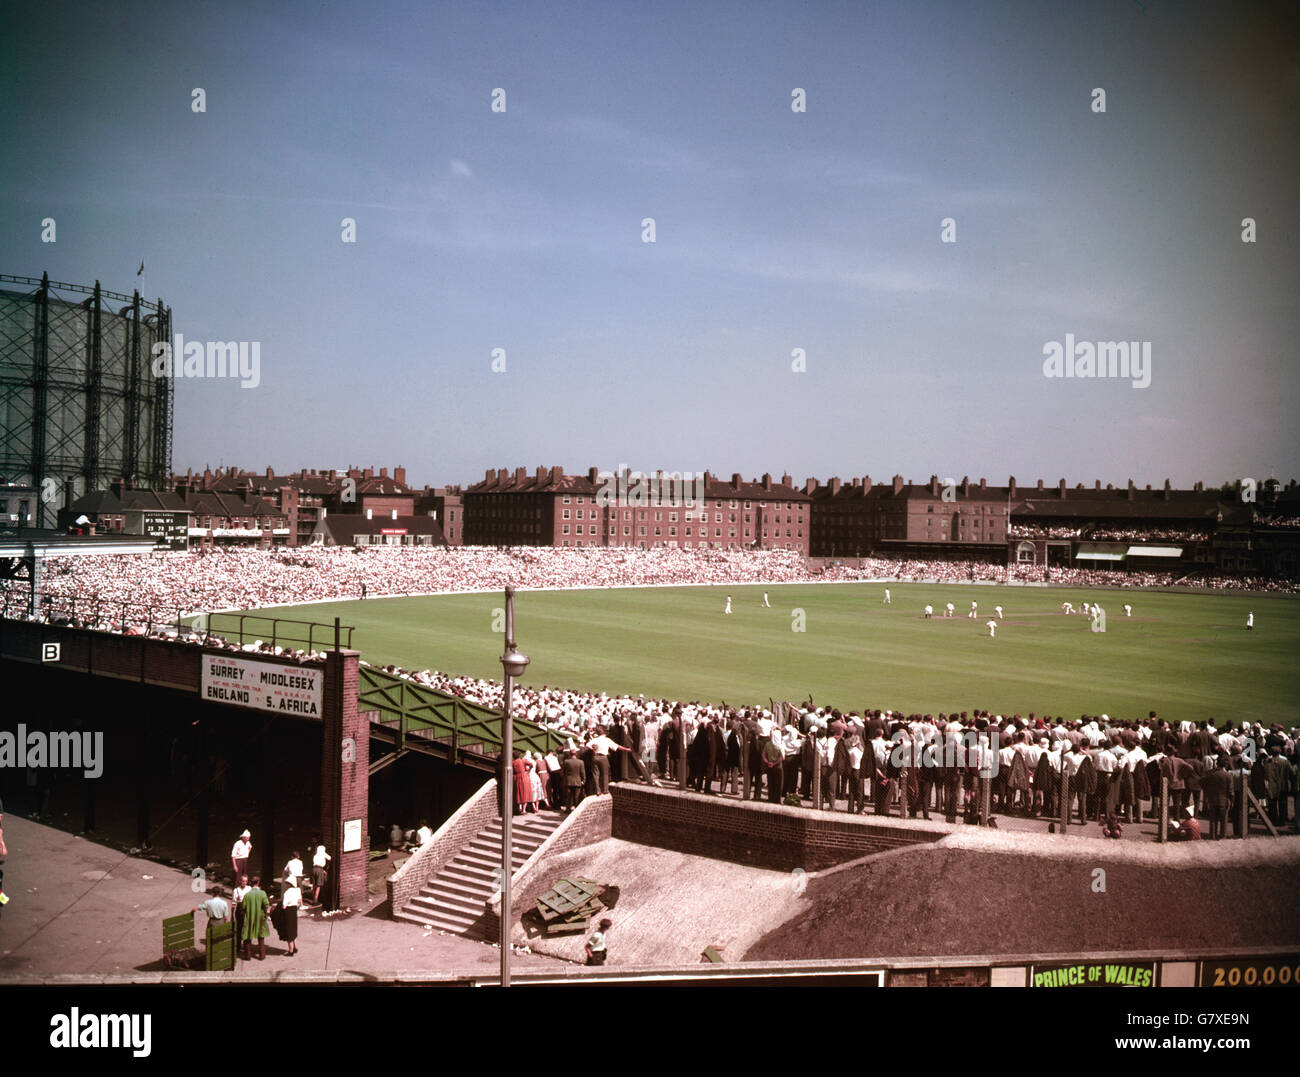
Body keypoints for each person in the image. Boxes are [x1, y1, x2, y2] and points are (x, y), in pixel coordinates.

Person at [239, 876, 270, 961]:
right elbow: (266, 905)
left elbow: (243, 907)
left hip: (249, 917)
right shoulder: (262, 893)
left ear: (251, 883)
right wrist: (265, 914)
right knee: (261, 936)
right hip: (260, 917)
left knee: (247, 936)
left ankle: (248, 955)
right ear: (258, 882)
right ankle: (262, 955)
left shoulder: (247, 895)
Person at [278, 876, 302, 956]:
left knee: (289, 930)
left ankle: (290, 950)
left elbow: (284, 906)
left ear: (289, 884)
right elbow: (299, 901)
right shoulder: (298, 891)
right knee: (294, 928)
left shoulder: (287, 893)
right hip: (294, 910)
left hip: (288, 911)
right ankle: (295, 946)